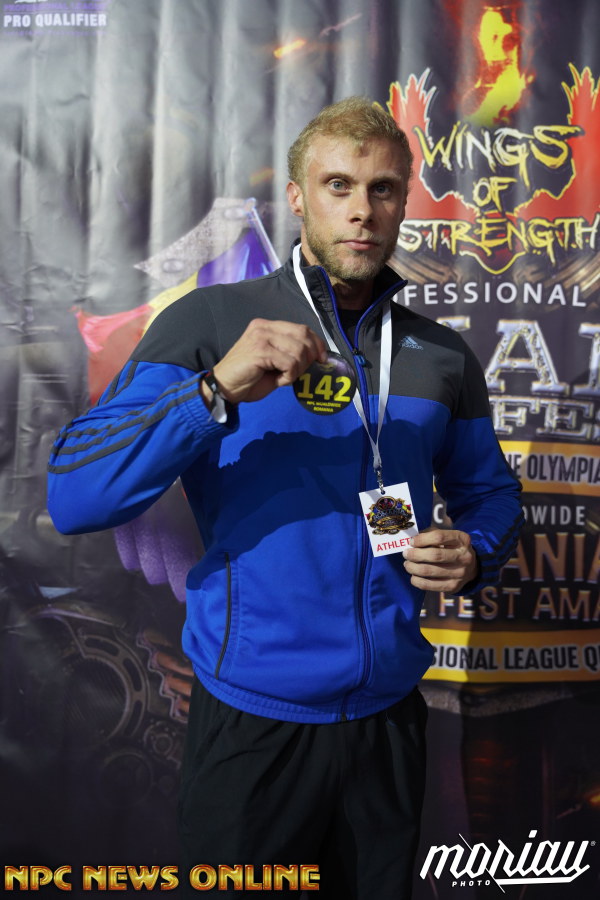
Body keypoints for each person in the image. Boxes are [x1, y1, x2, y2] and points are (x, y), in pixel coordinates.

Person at [47, 97, 523, 898]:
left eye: (382, 189)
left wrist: (475, 550)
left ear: (404, 201)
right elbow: (76, 495)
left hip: (388, 725)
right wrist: (212, 390)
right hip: (252, 728)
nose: (362, 211)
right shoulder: (211, 322)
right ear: (299, 198)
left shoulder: (439, 353)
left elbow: (493, 496)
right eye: (339, 186)